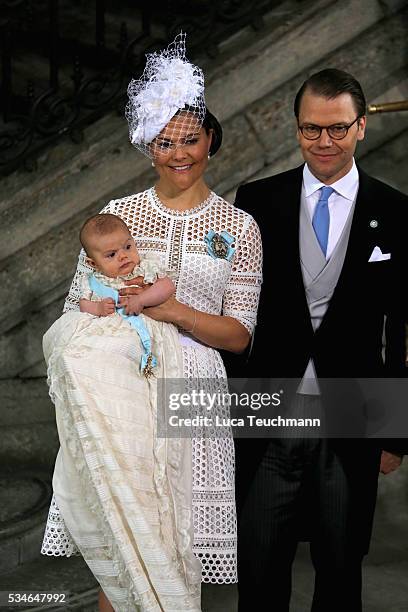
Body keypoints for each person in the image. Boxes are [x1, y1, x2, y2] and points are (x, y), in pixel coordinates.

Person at [41, 32, 263, 610]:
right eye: (165, 143)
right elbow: (76, 310)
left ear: (211, 139)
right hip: (124, 392)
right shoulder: (117, 216)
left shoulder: (240, 228)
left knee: (175, 547)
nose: (180, 154)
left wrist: (169, 309)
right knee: (124, 549)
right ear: (147, 146)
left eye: (190, 139)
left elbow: (239, 336)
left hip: (193, 394)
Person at [234, 68, 408, 612]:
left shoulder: (397, 210)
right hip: (268, 415)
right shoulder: (257, 200)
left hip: (352, 421)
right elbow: (236, 308)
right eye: (311, 129)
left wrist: (394, 433)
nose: (324, 142)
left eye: (336, 129)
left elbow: (401, 329)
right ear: (296, 129)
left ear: (361, 128)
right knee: (259, 570)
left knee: (340, 572)